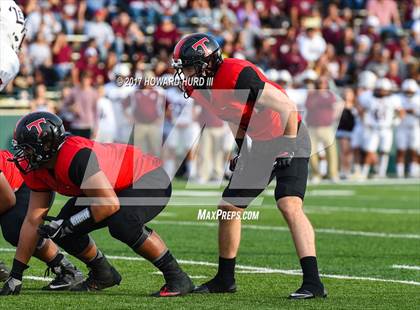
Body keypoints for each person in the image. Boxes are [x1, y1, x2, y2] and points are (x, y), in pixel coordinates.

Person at [172, 33, 326, 299]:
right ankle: (225, 279)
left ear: (206, 63)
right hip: (262, 142)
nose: (184, 73)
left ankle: (313, 283)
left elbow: (287, 107)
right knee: (229, 208)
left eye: (187, 66)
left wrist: (287, 146)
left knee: (289, 204)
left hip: (291, 134)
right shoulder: (199, 88)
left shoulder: (236, 74)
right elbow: (233, 117)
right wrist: (242, 149)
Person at [1, 112, 194, 297]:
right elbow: (32, 221)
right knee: (58, 227)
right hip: (110, 189)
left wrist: (70, 225)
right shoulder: (38, 169)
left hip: (147, 177)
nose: (23, 154)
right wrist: (16, 275)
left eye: (27, 148)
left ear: (45, 146)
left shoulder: (75, 156)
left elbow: (108, 204)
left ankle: (177, 277)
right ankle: (103, 273)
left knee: (122, 223)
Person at [0, 149, 84, 290]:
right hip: (9, 189)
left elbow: (8, 199)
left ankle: (66, 270)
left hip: (23, 183)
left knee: (16, 229)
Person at [361, 78, 403, 179]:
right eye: (379, 89)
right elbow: (362, 110)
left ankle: (381, 172)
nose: (381, 92)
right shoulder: (369, 97)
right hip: (373, 128)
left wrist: (397, 121)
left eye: (383, 90)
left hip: (386, 128)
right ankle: (364, 172)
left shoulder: (393, 99)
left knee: (385, 152)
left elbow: (401, 112)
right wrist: (365, 120)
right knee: (369, 150)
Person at [396, 79, 419, 178]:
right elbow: (396, 111)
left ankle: (413, 172)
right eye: (407, 91)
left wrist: (412, 111)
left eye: (411, 92)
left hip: (415, 127)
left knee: (414, 150)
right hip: (402, 127)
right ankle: (399, 173)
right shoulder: (398, 98)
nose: (409, 93)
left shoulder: (418, 99)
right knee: (401, 150)